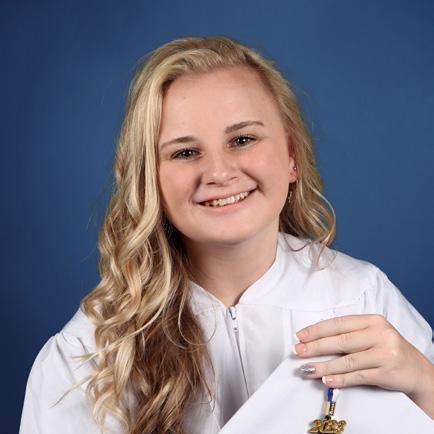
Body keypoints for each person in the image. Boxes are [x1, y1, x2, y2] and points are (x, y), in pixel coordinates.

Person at [19, 36, 434, 434]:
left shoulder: (362, 296)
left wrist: (425, 384)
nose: (218, 172)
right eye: (185, 152)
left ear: (291, 156)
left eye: (242, 139)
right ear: (149, 178)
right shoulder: (90, 354)